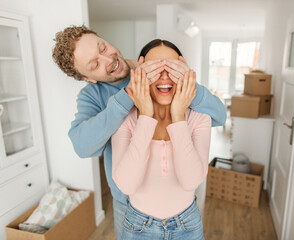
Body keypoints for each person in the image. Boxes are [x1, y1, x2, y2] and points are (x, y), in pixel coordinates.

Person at [52, 25, 226, 239]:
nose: (109, 60)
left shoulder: (166, 71)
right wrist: (129, 96)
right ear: (87, 78)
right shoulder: (93, 97)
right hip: (128, 205)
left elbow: (219, 116)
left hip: (181, 207)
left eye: (103, 48)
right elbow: (82, 146)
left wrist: (189, 85)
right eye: (95, 64)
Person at [112, 39, 210, 239]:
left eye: (173, 68)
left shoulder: (200, 119)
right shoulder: (124, 120)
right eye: (155, 68)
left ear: (185, 74)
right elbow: (127, 185)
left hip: (188, 227)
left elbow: (190, 182)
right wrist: (145, 116)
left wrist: (178, 116)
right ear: (140, 73)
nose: (165, 76)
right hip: (137, 227)